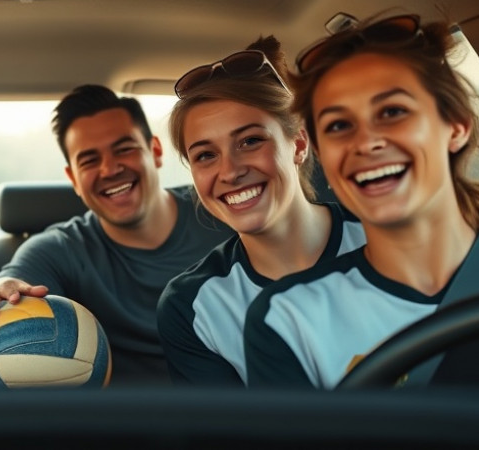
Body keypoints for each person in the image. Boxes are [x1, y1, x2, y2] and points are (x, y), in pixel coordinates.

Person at [244, 12, 479, 388]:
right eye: (338, 125)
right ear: (321, 153)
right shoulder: (288, 318)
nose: (366, 142)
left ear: (456, 126)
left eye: (392, 112)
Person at [0, 84, 233, 385]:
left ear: (156, 151)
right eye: (89, 160)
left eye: (124, 149)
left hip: (226, 413)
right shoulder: (59, 249)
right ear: (73, 178)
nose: (110, 169)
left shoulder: (222, 210)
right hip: (111, 425)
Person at [156, 36, 366, 386]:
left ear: (298, 143)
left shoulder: (390, 237)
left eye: (250, 141)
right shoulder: (192, 306)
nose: (230, 171)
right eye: (206, 155)